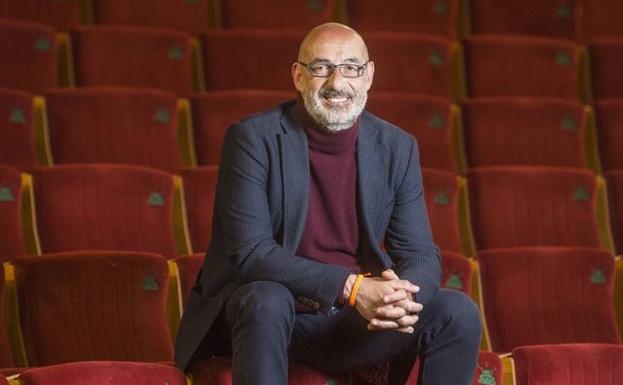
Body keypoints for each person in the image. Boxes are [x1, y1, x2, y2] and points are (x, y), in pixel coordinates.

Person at [175, 22, 481, 385]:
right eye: (321, 68)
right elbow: (252, 253)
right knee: (267, 297)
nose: (337, 83)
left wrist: (399, 297)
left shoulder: (397, 147)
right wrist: (352, 288)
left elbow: (419, 251)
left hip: (347, 319)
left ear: (368, 76)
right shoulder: (253, 139)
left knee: (458, 311)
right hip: (268, 319)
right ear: (299, 76)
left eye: (351, 68)